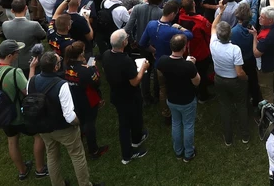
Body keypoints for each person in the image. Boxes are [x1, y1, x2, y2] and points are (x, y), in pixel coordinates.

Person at [29, 52, 102, 186]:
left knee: (51, 155)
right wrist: (78, 123)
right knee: (77, 155)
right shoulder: (61, 84)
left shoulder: (33, 80)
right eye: (59, 61)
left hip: (43, 126)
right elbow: (69, 115)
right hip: (63, 128)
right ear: (56, 67)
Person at [0, 40, 48, 180]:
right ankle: (40, 169)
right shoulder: (15, 72)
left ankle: (22, 171)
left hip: (3, 115)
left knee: (12, 141)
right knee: (39, 136)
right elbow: (29, 91)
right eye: (16, 52)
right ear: (9, 55)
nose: (18, 54)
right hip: (20, 115)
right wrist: (32, 69)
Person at [102, 29, 149, 164]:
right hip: (128, 96)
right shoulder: (125, 60)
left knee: (135, 118)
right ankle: (127, 155)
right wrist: (143, 69)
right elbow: (134, 82)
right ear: (124, 42)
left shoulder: (106, 55)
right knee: (125, 125)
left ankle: (137, 138)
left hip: (116, 94)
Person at [156, 33, 200, 162]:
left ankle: (178, 151)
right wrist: (192, 65)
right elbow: (197, 81)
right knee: (188, 125)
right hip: (187, 100)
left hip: (171, 99)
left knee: (176, 123)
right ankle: (189, 153)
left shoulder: (163, 60)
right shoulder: (188, 66)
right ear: (184, 48)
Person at [210, 4, 249, 145]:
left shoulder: (213, 43)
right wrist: (246, 78)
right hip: (234, 81)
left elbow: (213, 26)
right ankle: (245, 136)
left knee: (225, 107)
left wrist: (220, 12)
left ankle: (228, 138)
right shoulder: (235, 49)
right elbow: (239, 72)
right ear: (230, 33)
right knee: (241, 105)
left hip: (219, 79)